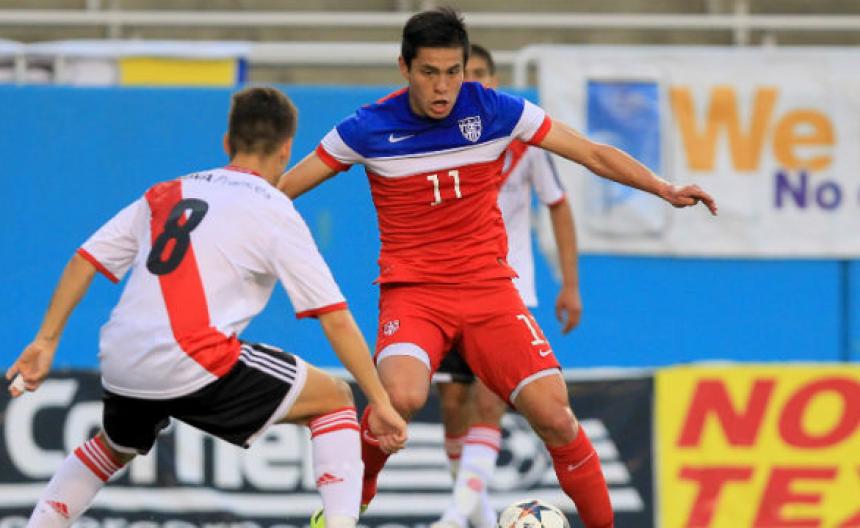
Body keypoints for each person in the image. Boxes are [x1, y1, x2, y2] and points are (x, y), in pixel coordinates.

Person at [278, 8, 716, 528]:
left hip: (490, 292)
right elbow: (284, 189)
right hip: (414, 293)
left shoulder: (497, 112)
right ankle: (350, 504)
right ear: (404, 67)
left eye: (453, 72)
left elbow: (591, 153)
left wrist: (663, 187)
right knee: (401, 398)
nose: (443, 87)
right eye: (428, 73)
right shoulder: (366, 128)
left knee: (556, 416)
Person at [5, 86, 407, 527]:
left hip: (121, 359)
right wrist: (381, 401)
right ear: (287, 149)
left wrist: (45, 340)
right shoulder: (272, 208)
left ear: (226, 142)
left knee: (114, 446)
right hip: (191, 356)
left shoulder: (166, 193)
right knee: (334, 399)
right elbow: (334, 317)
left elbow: (86, 259)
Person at [430, 43, 582, 528]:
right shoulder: (435, 140)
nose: (471, 82)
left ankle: (456, 515)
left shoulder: (524, 139)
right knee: (452, 403)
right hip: (447, 285)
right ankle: (477, 514)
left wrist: (569, 284)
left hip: (508, 285)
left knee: (490, 396)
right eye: (463, 74)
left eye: (479, 73)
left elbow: (557, 204)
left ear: (493, 81)